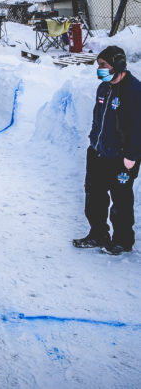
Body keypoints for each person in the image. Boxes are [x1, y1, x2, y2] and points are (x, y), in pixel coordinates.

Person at [74, 46, 141, 255]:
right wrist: (93, 141)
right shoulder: (103, 88)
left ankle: (122, 240)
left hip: (122, 157)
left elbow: (138, 127)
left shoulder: (134, 91)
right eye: (98, 65)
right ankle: (98, 234)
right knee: (94, 195)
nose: (99, 69)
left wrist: (131, 155)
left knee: (121, 200)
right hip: (98, 153)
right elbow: (97, 117)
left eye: (103, 65)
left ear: (118, 64)